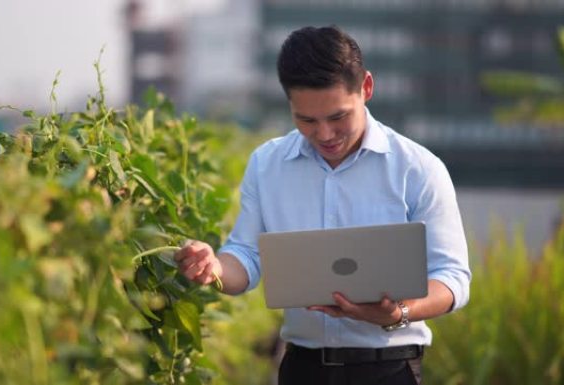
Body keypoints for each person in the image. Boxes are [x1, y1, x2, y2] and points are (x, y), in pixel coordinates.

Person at [174, 25, 471, 385]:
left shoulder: (417, 168)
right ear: (290, 104)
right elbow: (246, 257)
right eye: (307, 120)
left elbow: (453, 278)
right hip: (301, 369)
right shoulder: (267, 164)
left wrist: (397, 313)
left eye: (337, 117)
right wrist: (214, 267)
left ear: (366, 88)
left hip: (389, 370)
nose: (325, 135)